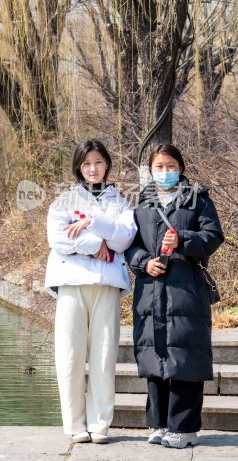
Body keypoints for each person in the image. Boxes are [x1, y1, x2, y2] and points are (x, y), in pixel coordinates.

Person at [126, 144, 224, 448]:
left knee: (185, 359)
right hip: (151, 292)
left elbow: (212, 236)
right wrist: (143, 262)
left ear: (180, 168)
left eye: (171, 166)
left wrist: (184, 238)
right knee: (155, 359)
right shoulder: (141, 203)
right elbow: (130, 244)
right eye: (159, 167)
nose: (165, 172)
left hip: (186, 291)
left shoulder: (198, 200)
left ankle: (184, 428)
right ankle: (158, 424)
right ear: (150, 170)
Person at [45, 139, 136, 444]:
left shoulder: (121, 201)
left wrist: (91, 222)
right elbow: (58, 240)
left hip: (106, 284)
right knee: (69, 355)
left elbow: (124, 239)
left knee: (104, 354)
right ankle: (74, 425)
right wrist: (96, 243)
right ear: (78, 168)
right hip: (71, 283)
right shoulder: (63, 201)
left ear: (106, 164)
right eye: (86, 164)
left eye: (98, 162)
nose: (93, 169)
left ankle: (100, 424)